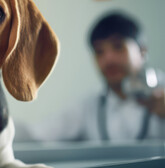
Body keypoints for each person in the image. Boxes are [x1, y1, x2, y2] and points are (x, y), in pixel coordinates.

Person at [15, 10, 165, 142]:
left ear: (143, 51)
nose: (108, 59)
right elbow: (36, 134)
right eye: (99, 51)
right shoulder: (89, 107)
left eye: (118, 47)